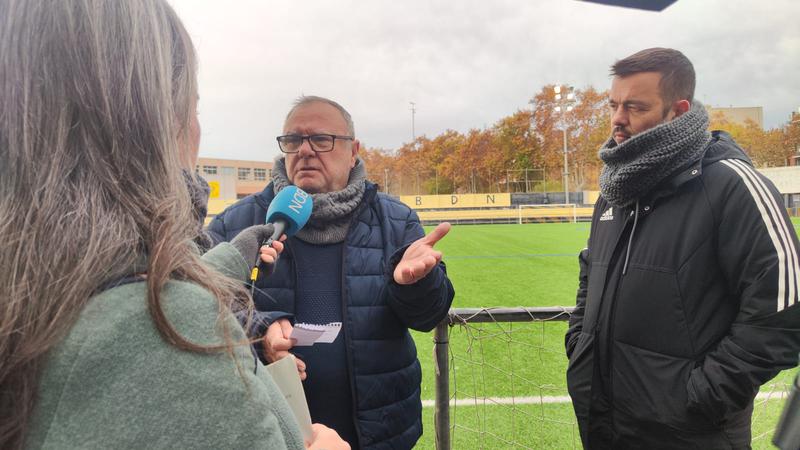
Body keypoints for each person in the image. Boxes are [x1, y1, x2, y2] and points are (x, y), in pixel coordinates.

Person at [0, 1, 348, 449]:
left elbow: (120, 280)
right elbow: (145, 313)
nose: (305, 150)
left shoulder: (37, 278)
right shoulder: (168, 329)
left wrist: (221, 264)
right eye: (192, 105)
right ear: (151, 122)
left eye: (321, 139)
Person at [565, 47, 800, 449]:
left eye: (635, 107)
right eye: (614, 105)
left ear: (679, 109)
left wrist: (700, 396)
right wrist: (579, 345)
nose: (618, 119)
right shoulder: (615, 189)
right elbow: (592, 273)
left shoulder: (732, 185)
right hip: (604, 423)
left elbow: (785, 309)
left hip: (692, 432)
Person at [208, 96, 456, 449]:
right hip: (266, 434)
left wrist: (416, 285)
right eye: (293, 140)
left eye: (321, 139)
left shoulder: (396, 221)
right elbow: (199, 309)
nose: (305, 150)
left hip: (381, 434)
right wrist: (260, 331)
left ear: (353, 150)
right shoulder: (237, 222)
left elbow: (429, 314)